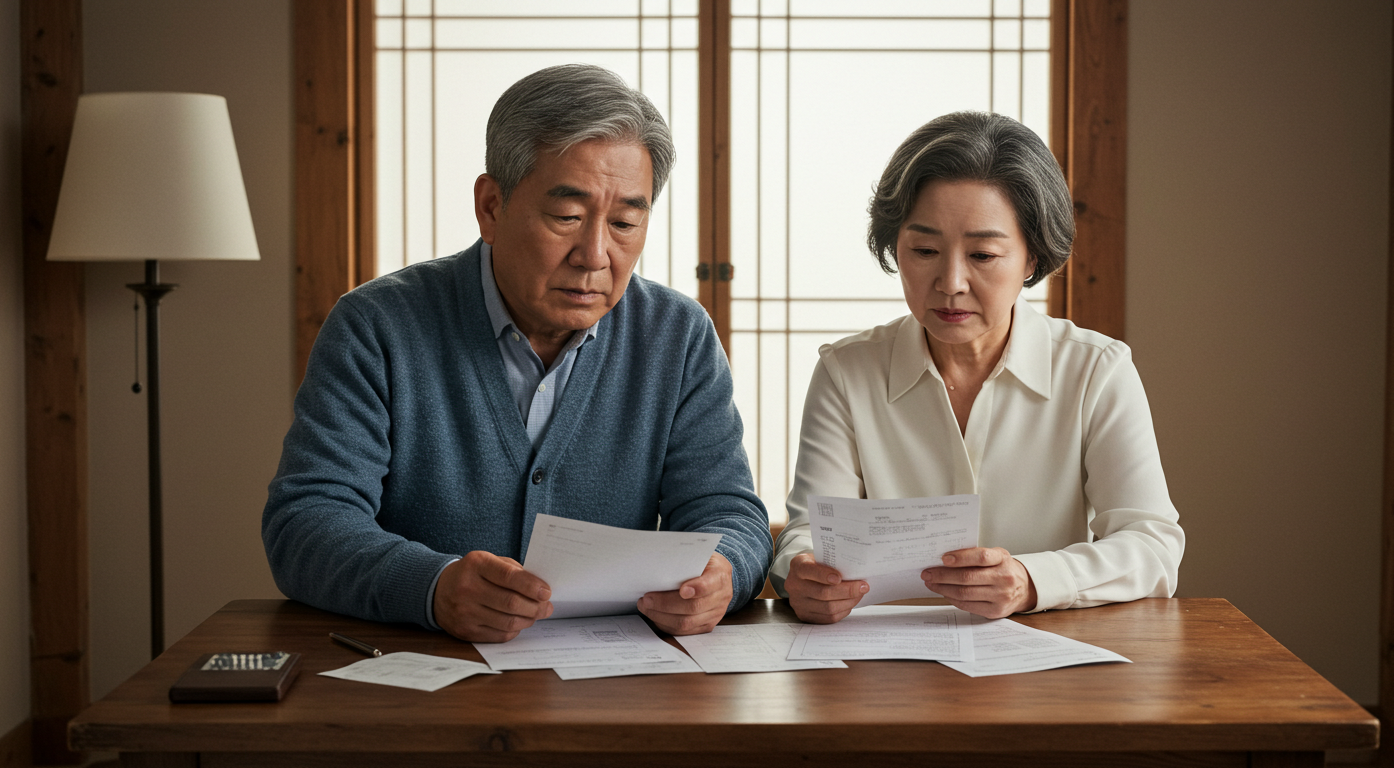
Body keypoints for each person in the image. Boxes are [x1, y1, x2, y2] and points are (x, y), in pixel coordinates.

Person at [263, 64, 771, 643]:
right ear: (491, 207)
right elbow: (305, 523)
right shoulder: (378, 326)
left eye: (626, 221)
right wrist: (433, 587)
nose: (595, 254)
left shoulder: (676, 335)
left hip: (614, 685)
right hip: (425, 672)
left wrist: (722, 573)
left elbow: (730, 511)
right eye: (567, 217)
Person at [770, 111, 1183, 623]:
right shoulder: (846, 371)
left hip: (1049, 664)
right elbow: (810, 532)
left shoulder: (1095, 370)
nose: (950, 282)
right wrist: (800, 573)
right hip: (886, 667)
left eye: (983, 255)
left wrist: (1032, 581)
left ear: (1031, 258)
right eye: (924, 250)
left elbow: (1152, 544)